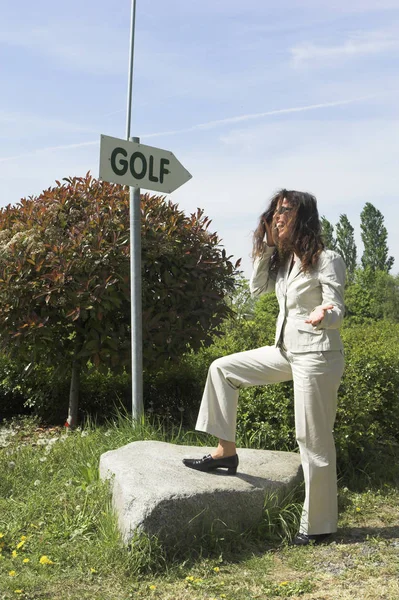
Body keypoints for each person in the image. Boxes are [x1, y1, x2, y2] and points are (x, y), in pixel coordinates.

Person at [182, 189, 346, 546]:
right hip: (286, 351)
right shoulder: (284, 262)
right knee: (222, 369)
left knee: (313, 440)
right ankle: (226, 453)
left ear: (303, 217)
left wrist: (324, 315)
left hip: (318, 355)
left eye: (286, 209)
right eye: (274, 210)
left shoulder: (326, 258)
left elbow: (337, 307)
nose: (277, 215)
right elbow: (256, 291)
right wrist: (268, 247)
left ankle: (319, 526)